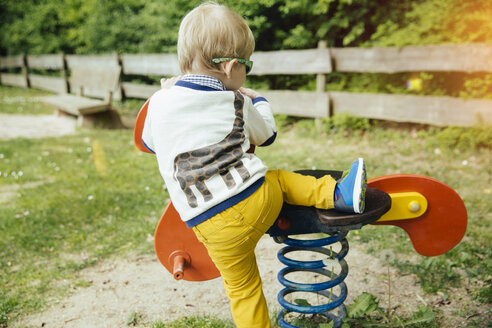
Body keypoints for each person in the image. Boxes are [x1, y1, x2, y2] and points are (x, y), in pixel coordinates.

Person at [141, 2, 366, 327]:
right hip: (255, 201)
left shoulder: (158, 104)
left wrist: (166, 100)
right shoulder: (235, 101)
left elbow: (149, 143)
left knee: (242, 289)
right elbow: (268, 135)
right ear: (232, 67)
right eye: (249, 65)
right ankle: (339, 195)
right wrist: (258, 100)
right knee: (281, 180)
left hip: (209, 227)